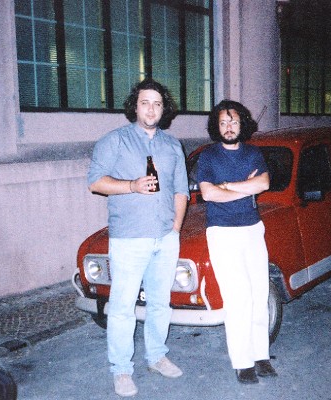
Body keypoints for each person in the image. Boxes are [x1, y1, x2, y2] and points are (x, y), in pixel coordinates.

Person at [87, 79, 189, 397]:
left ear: (164, 109)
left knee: (160, 303)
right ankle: (121, 370)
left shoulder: (172, 146)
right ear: (135, 105)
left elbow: (181, 190)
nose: (151, 109)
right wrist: (131, 185)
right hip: (129, 239)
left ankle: (156, 356)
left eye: (157, 104)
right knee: (122, 306)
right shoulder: (114, 141)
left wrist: (175, 227)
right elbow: (96, 182)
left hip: (164, 238)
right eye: (145, 102)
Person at [196, 100, 278, 384]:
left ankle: (261, 356)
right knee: (238, 296)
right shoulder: (208, 157)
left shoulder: (254, 153)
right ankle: (243, 362)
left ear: (242, 124)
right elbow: (208, 194)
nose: (228, 127)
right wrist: (244, 188)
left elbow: (264, 184)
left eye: (233, 122)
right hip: (222, 232)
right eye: (223, 123)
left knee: (259, 294)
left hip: (253, 229)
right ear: (216, 127)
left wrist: (227, 187)